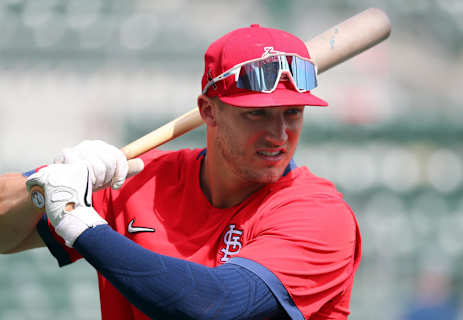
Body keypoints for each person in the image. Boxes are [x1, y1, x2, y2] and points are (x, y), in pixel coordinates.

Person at [0, 24, 361, 320]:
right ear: (209, 111)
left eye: (292, 112)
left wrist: (79, 222)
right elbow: (6, 233)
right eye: (257, 114)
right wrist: (46, 187)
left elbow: (212, 307)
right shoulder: (140, 179)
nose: (279, 135)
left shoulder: (319, 214)